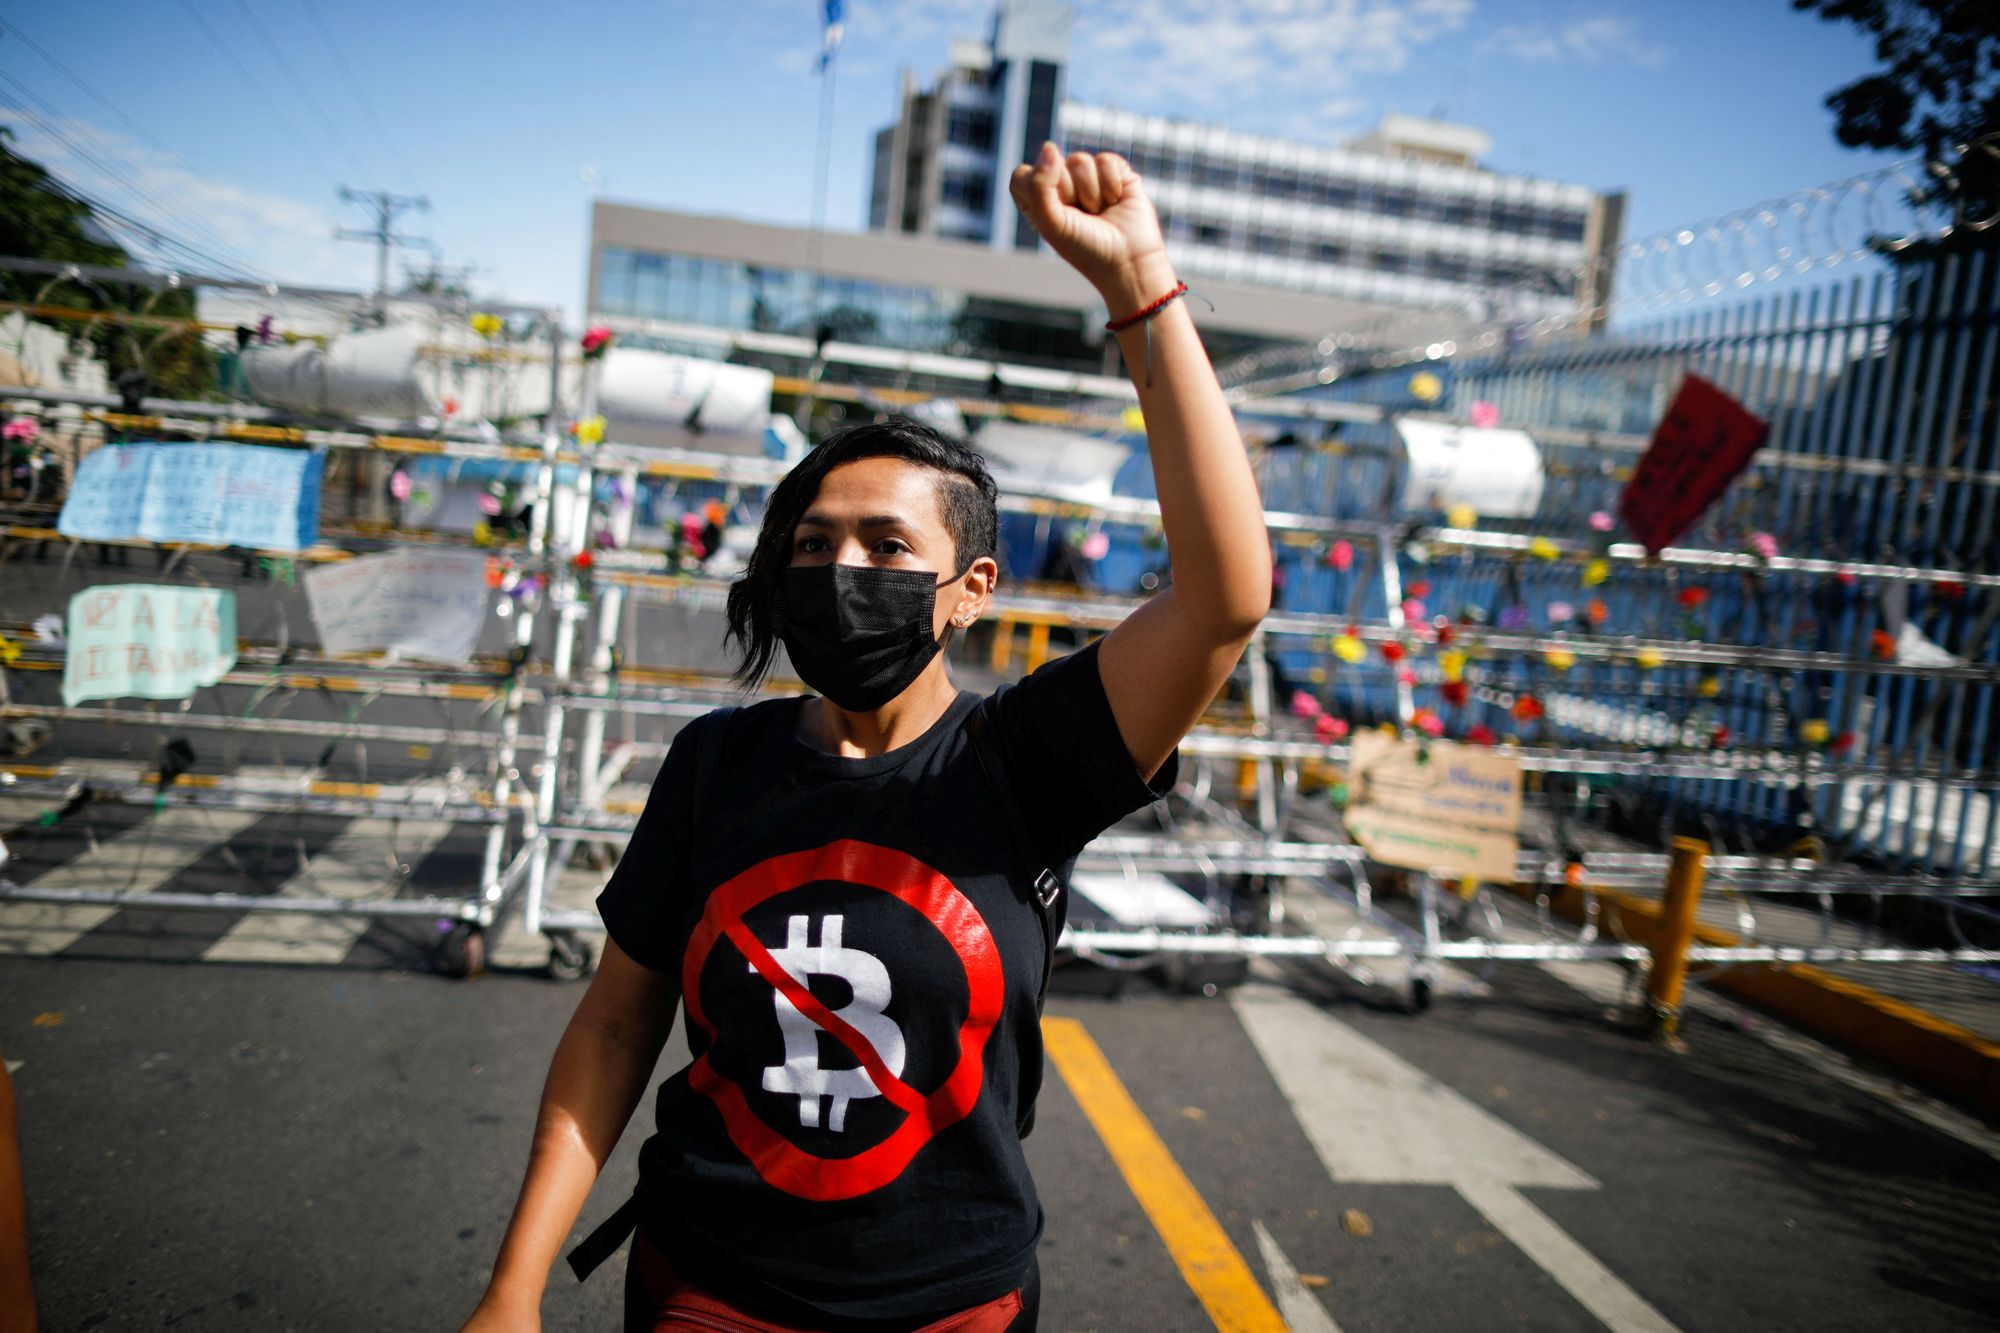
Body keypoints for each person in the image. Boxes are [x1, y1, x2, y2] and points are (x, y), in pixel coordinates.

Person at [460, 141, 1272, 1333]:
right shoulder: (712, 763)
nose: (840, 569)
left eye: (889, 548)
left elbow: (1224, 595)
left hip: (948, 1303)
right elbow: (618, 1023)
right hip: (703, 1287)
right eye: (810, 544)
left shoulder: (1025, 762)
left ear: (969, 587)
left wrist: (1139, 289)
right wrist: (513, 1287)